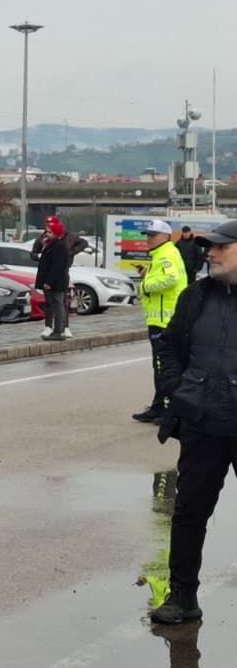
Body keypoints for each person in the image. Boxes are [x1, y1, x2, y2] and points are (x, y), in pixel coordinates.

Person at [147, 219, 237, 626]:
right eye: (209, 247)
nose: (211, 253)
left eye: (221, 247)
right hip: (202, 422)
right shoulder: (195, 296)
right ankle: (182, 597)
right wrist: (175, 387)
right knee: (189, 513)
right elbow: (167, 344)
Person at [132, 220, 190, 425]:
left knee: (164, 367)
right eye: (147, 235)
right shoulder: (162, 253)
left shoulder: (166, 254)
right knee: (160, 366)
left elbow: (171, 279)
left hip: (165, 320)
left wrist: (146, 284)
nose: (148, 238)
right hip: (159, 319)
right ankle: (158, 407)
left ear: (165, 237)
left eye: (153, 235)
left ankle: (168, 410)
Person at [33, 215, 74, 340]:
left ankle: (59, 331)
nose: (47, 233)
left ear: (56, 233)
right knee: (53, 304)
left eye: (50, 232)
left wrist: (49, 282)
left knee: (58, 305)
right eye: (47, 231)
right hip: (50, 281)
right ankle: (54, 329)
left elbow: (57, 266)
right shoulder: (50, 243)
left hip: (56, 283)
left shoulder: (60, 245)